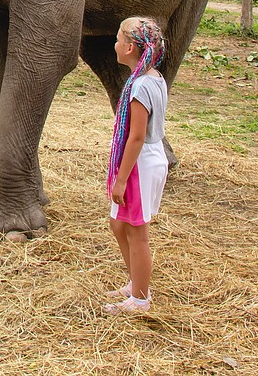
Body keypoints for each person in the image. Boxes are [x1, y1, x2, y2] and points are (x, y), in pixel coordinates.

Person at [103, 16, 169, 315]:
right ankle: (135, 283)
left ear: (129, 48)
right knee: (118, 223)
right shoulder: (152, 77)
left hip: (139, 164)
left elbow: (137, 137)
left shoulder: (141, 86)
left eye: (118, 40)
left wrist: (120, 179)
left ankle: (140, 299)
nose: (114, 44)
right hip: (140, 161)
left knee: (136, 232)